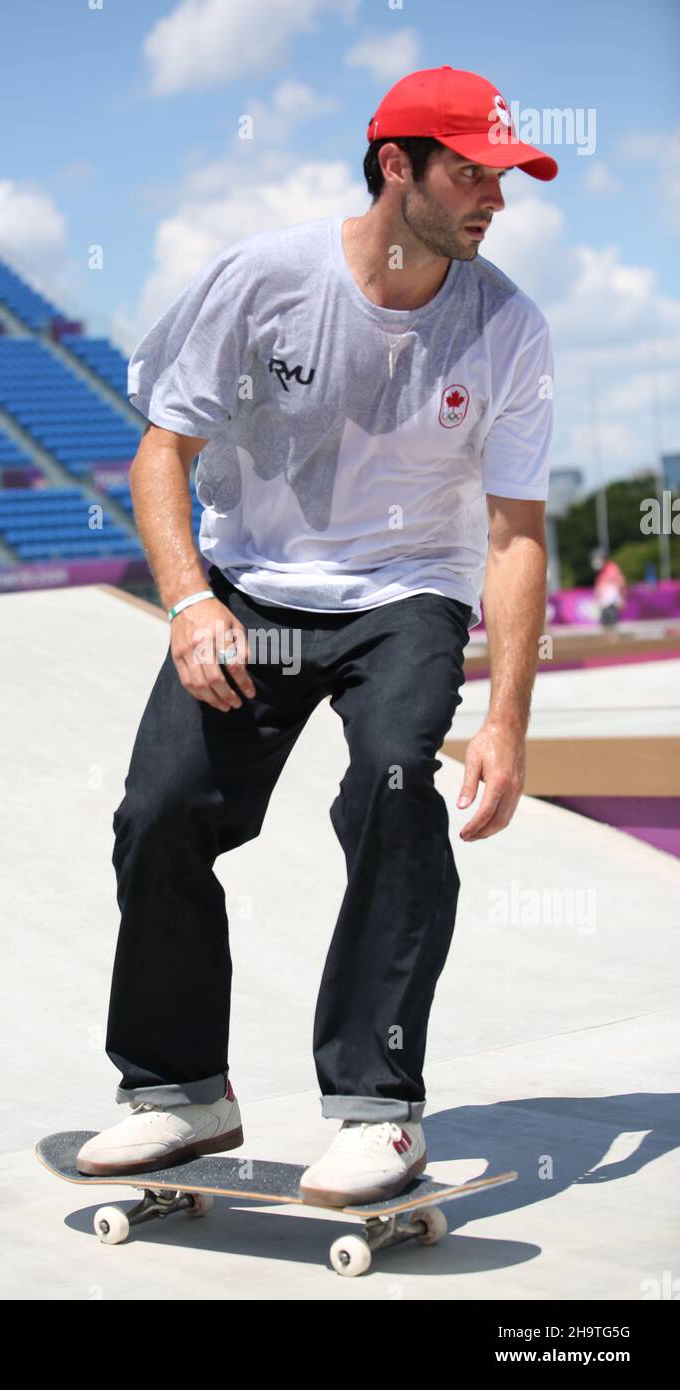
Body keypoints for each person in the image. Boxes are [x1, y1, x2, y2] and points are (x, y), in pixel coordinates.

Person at [78, 65, 558, 1206]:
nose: (494, 197)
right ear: (396, 165)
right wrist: (191, 602)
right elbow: (162, 450)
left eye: (505, 175)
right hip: (253, 587)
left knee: (395, 783)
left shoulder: (508, 328)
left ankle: (376, 1106)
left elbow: (515, 533)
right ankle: (180, 1091)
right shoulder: (264, 281)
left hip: (407, 598)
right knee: (159, 814)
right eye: (470, 172)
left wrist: (503, 722)